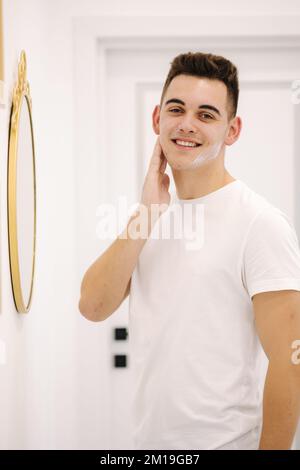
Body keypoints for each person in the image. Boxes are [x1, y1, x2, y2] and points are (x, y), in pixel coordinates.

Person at [79, 52, 300, 450]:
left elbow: (290, 364)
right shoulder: (150, 217)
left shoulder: (259, 223)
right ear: (156, 119)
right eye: (176, 109)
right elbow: (93, 306)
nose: (187, 124)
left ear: (232, 130)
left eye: (206, 114)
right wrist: (146, 212)